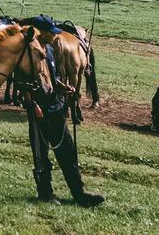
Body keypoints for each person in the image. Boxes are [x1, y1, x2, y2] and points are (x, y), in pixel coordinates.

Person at [22, 39, 104, 208]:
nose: (54, 36)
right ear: (42, 33)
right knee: (41, 157)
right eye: (50, 32)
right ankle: (45, 193)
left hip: (56, 108)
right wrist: (34, 106)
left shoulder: (51, 51)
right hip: (39, 113)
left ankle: (79, 193)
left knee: (68, 151)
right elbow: (23, 84)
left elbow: (53, 77)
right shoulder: (28, 54)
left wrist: (63, 87)